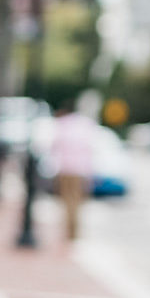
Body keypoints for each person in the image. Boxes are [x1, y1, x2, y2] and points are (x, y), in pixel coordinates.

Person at [50, 102, 97, 242]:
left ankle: (69, 231)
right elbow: (90, 149)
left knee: (66, 201)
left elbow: (55, 146)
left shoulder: (63, 125)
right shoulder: (85, 125)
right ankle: (73, 233)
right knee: (76, 202)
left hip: (65, 169)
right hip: (79, 170)